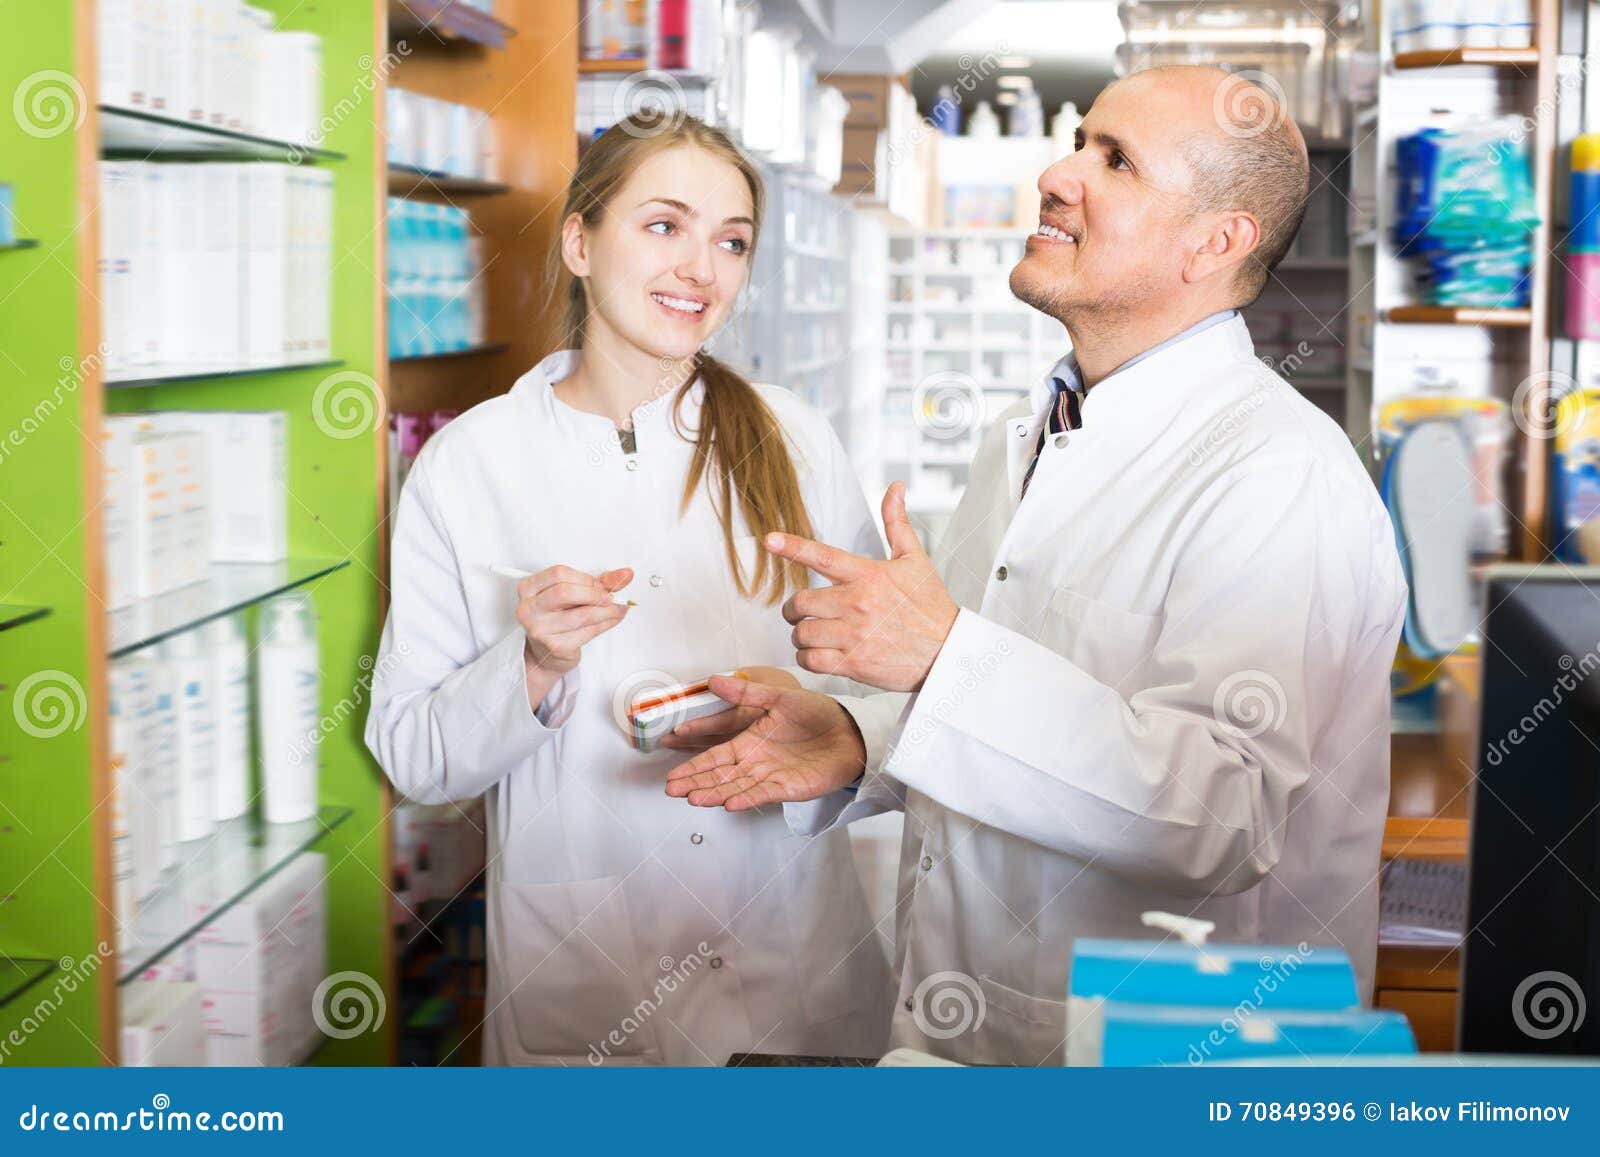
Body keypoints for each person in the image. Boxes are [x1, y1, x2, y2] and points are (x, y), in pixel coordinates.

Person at [664, 66, 1409, 1065]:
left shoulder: (1277, 476)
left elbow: (1220, 814)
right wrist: (856, 733)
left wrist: (939, 656)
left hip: (1175, 1065)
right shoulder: (1028, 442)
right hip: (965, 1039)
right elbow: (1005, 713)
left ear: (1215, 240)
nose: (1057, 175)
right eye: (1076, 141)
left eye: (1115, 160)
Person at [366, 113, 893, 1066]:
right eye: (664, 225)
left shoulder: (797, 439)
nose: (701, 266)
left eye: (731, 241)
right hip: (585, 972)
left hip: (787, 958)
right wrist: (532, 663)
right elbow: (417, 757)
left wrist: (821, 724)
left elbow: (885, 702)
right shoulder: (469, 462)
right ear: (579, 240)